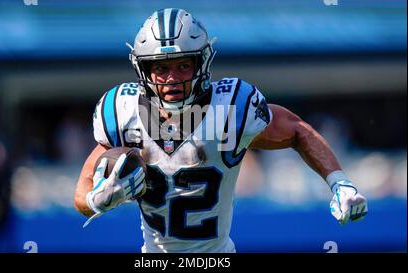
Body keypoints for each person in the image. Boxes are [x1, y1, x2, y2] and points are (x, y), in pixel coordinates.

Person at [74, 8, 368, 253]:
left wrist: (339, 183)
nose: (172, 78)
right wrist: (96, 200)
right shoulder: (123, 112)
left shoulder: (229, 108)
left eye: (183, 65)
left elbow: (296, 129)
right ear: (144, 71)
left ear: (201, 63)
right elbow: (83, 192)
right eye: (161, 68)